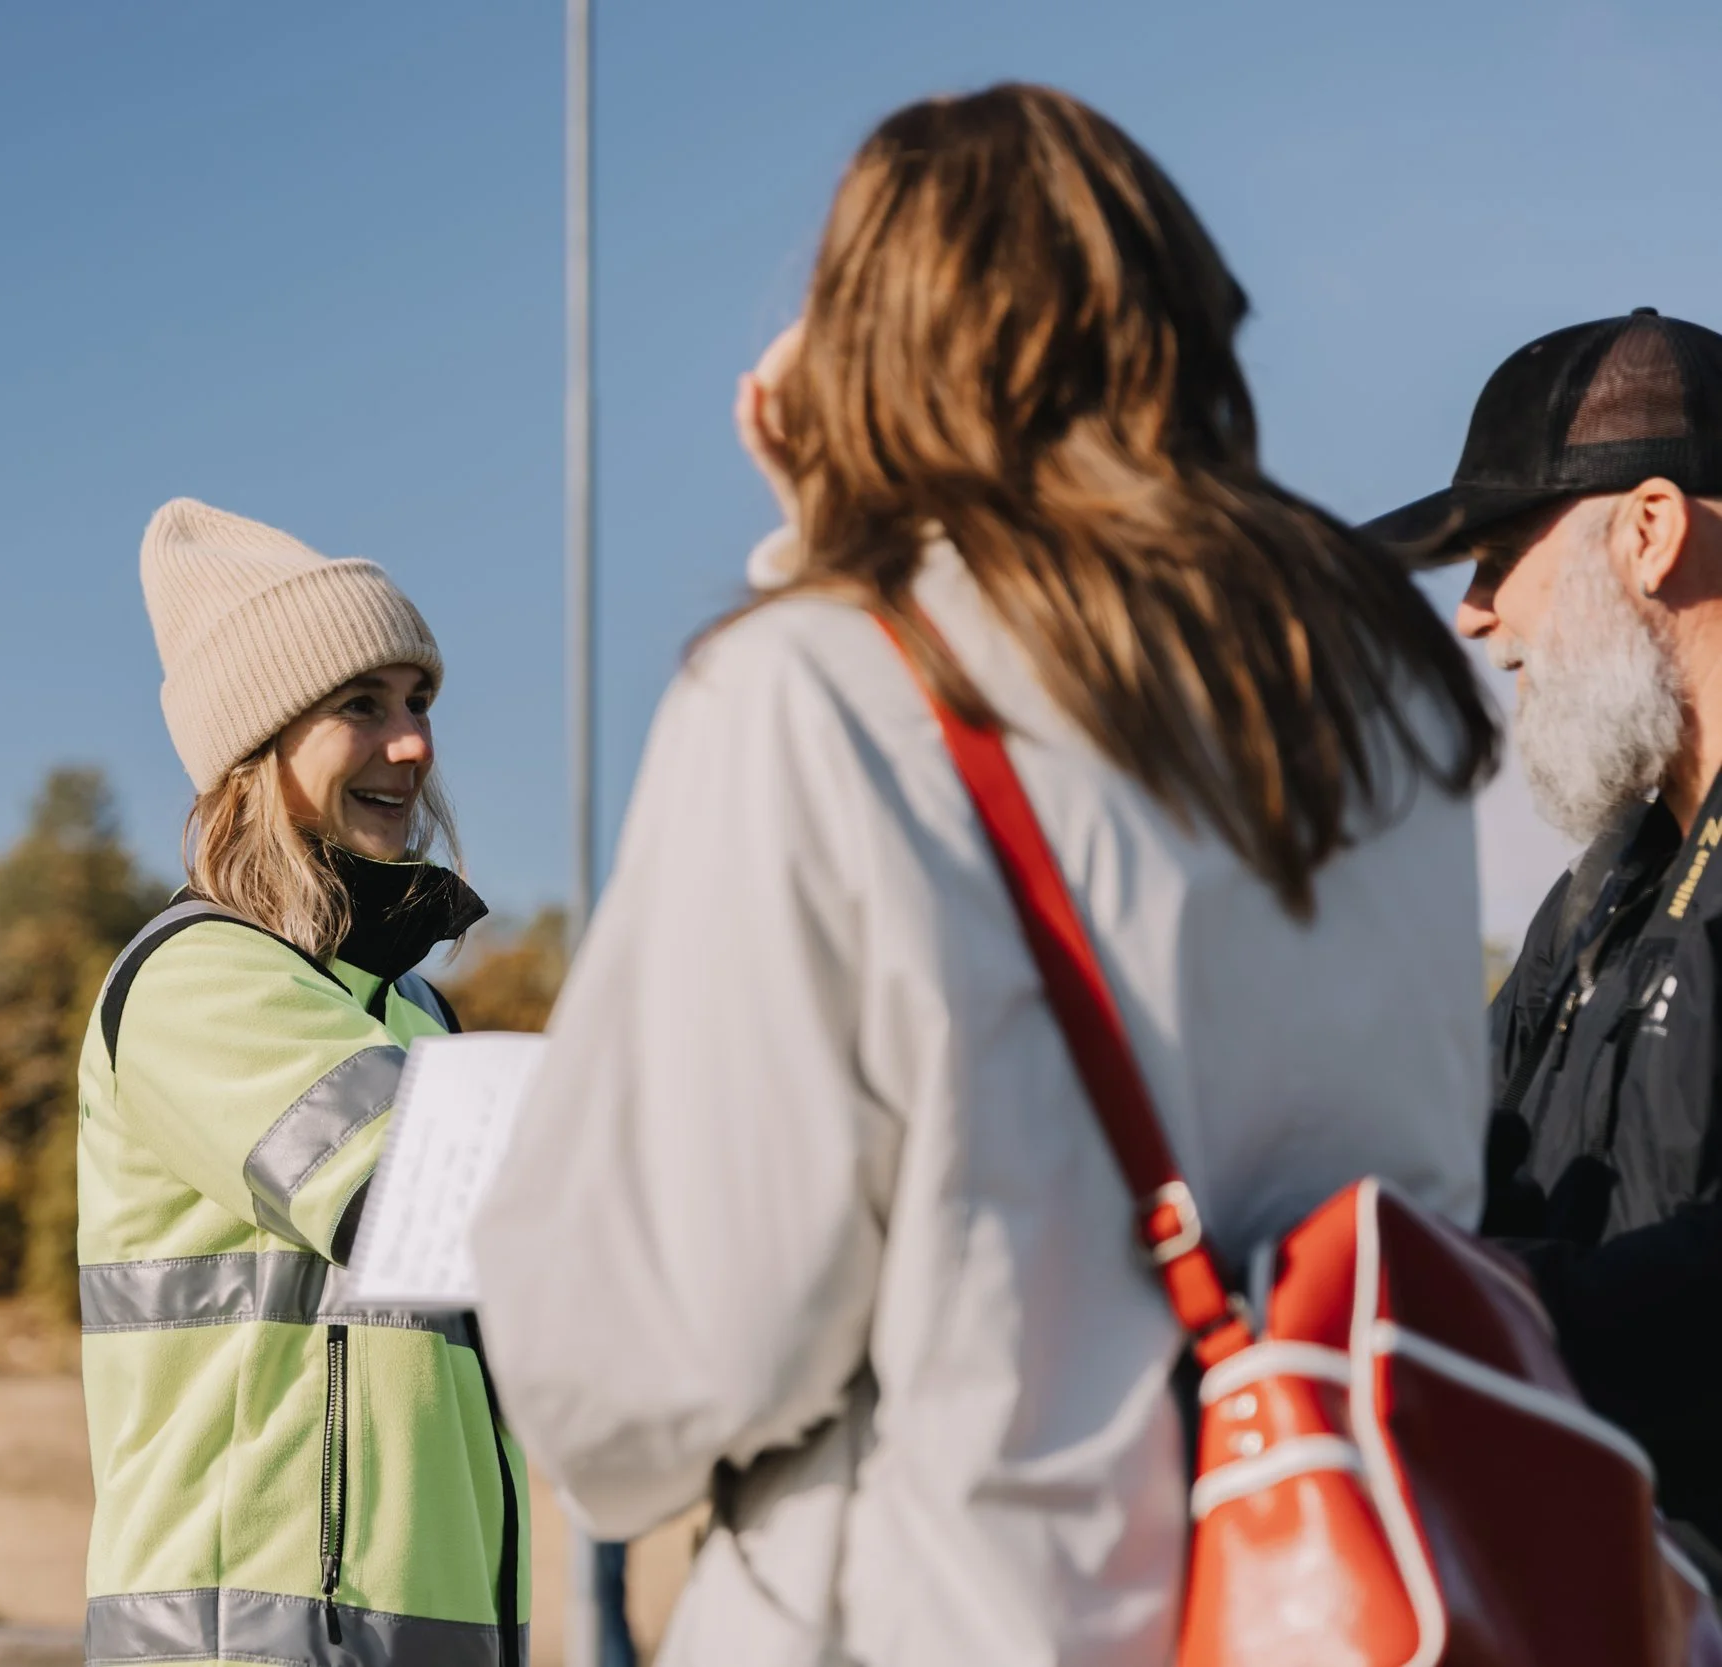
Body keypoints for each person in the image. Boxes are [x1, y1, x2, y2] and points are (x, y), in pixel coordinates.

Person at [468, 84, 1500, 1666]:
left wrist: (822, 554)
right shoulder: (1388, 703)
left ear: (866, 348)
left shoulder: (804, 692)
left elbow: (663, 1351)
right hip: (1316, 1603)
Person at [76, 498, 528, 1666]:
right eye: (360, 704)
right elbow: (442, 1203)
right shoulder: (198, 979)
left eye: (419, 701)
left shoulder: (413, 1010)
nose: (413, 744)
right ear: (253, 744)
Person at [1362, 306, 1722, 1574]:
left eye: (1498, 555)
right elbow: (1447, 1170)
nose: (1471, 616)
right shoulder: (1598, 896)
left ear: (1649, 531)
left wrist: (1481, 1313)